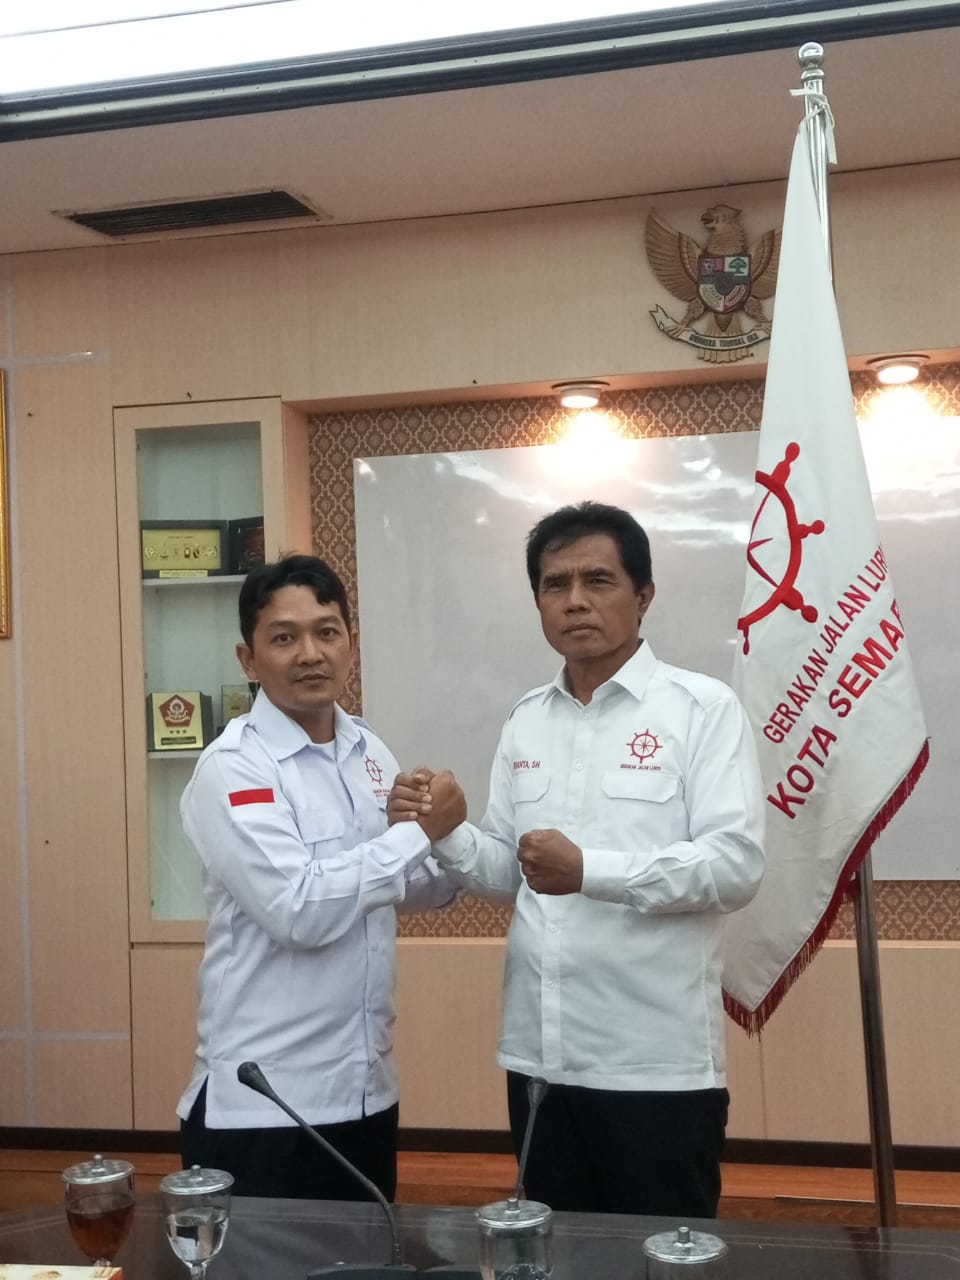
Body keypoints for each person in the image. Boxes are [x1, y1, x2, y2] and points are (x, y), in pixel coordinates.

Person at [390, 501, 765, 1218]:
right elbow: (509, 874)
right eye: (555, 584)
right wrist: (447, 831)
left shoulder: (701, 709)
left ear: (643, 595)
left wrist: (590, 871)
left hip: (654, 1065)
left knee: (657, 1260)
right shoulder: (526, 718)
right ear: (537, 601)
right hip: (541, 1060)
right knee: (553, 1252)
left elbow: (735, 865)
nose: (575, 601)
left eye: (598, 580)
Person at [177, 554, 463, 1200]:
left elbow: (401, 884)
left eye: (327, 632)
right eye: (284, 638)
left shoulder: (368, 750)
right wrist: (418, 835)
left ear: (350, 646)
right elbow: (299, 908)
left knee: (370, 1254)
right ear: (248, 659)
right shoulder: (233, 768)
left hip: (364, 1091)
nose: (310, 653)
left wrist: (452, 850)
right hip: (265, 1103)